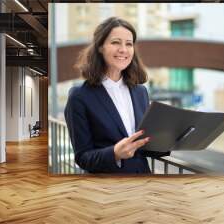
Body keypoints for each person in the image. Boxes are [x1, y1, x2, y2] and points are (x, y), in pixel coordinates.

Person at [64, 17, 170, 174]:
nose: (123, 49)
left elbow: (143, 146)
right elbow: (83, 158)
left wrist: (169, 141)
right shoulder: (79, 96)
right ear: (100, 47)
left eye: (129, 44)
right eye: (115, 42)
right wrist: (114, 153)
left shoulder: (140, 91)